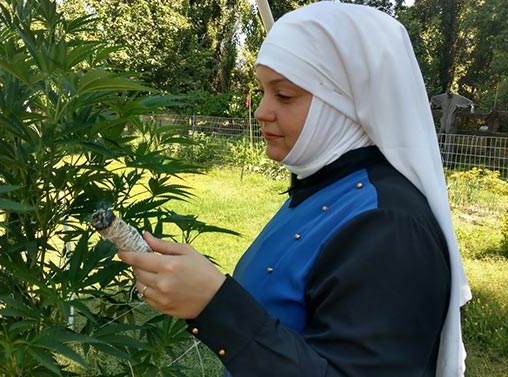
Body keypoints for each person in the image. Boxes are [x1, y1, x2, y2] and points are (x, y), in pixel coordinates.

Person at [118, 2, 471, 376]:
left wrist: (215, 305)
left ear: (347, 103)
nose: (261, 111)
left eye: (284, 95)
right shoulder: (324, 187)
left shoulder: (388, 226)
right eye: (263, 91)